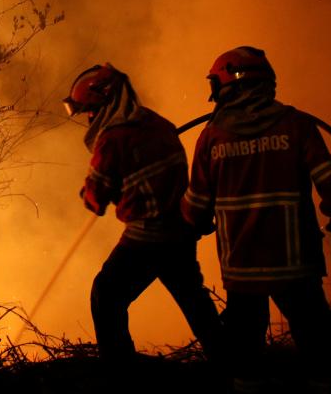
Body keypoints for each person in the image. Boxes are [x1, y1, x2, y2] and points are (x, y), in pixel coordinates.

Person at [180, 46, 331, 393]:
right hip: (295, 262)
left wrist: (186, 223)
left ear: (228, 84)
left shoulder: (212, 137)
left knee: (246, 354)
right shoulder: (296, 125)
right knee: (317, 341)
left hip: (241, 267)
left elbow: (197, 207)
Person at [64, 63, 223, 371]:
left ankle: (120, 372)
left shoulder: (112, 140)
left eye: (91, 110)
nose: (89, 118)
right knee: (194, 301)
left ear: (105, 101)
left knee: (106, 295)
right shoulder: (159, 123)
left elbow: (96, 199)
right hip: (181, 232)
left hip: (145, 238)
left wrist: (89, 194)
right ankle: (231, 364)